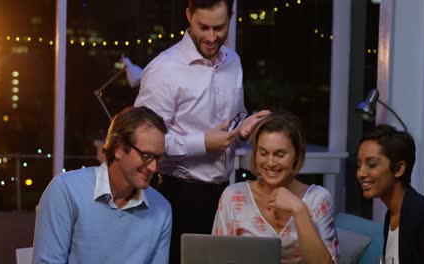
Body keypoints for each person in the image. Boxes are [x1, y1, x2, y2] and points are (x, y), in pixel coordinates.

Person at [134, 0, 269, 262]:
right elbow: (142, 142)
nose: (211, 37)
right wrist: (202, 143)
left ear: (230, 17)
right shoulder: (164, 70)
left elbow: (234, 115)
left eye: (219, 28)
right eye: (203, 27)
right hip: (177, 196)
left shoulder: (233, 61)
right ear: (188, 16)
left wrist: (242, 128)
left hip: (225, 196)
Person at [32, 106, 172, 263]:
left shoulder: (161, 209)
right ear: (119, 148)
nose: (154, 167)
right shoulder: (66, 191)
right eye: (146, 156)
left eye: (158, 158)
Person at [212, 112, 338, 264]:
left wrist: (299, 210)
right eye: (263, 153)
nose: (270, 163)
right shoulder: (233, 196)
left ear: (297, 155)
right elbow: (217, 258)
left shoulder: (318, 198)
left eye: (280, 154)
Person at [356, 124, 424, 264]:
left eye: (371, 164)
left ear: (399, 169)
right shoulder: (392, 215)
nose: (361, 173)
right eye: (359, 165)